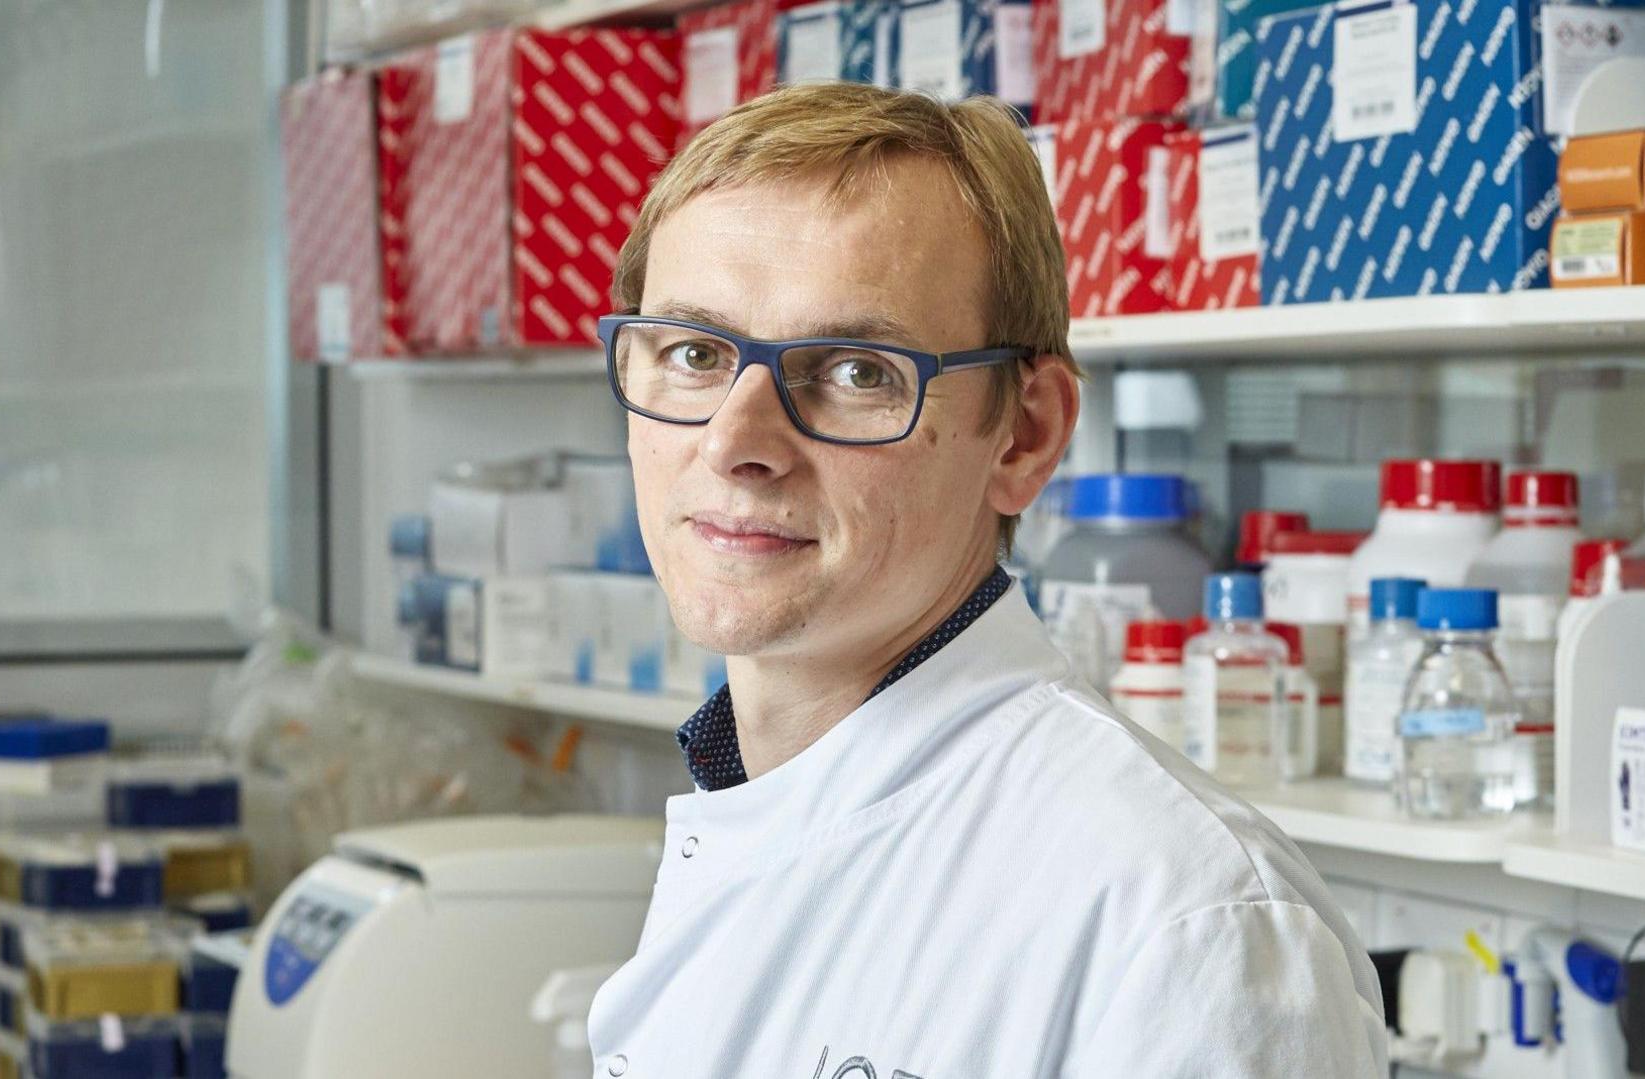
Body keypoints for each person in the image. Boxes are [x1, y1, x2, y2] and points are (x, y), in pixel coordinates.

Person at [587, 81, 1388, 1077]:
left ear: (1026, 433)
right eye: (696, 352)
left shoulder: (1183, 921)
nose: (736, 443)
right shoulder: (753, 802)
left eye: (855, 370)